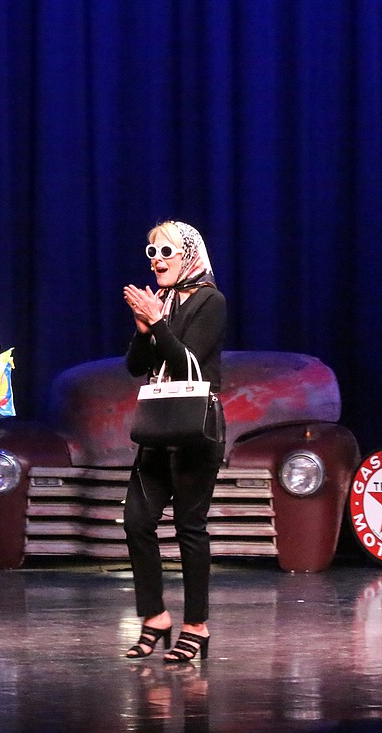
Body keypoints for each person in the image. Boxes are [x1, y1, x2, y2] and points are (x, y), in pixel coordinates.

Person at [121, 220, 225, 663]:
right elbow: (133, 366)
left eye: (166, 251)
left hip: (196, 430)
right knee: (136, 521)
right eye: (152, 253)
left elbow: (188, 368)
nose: (158, 260)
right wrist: (145, 330)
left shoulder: (211, 301)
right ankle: (155, 617)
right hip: (159, 426)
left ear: (187, 254)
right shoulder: (160, 301)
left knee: (189, 527)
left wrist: (159, 322)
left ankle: (196, 626)